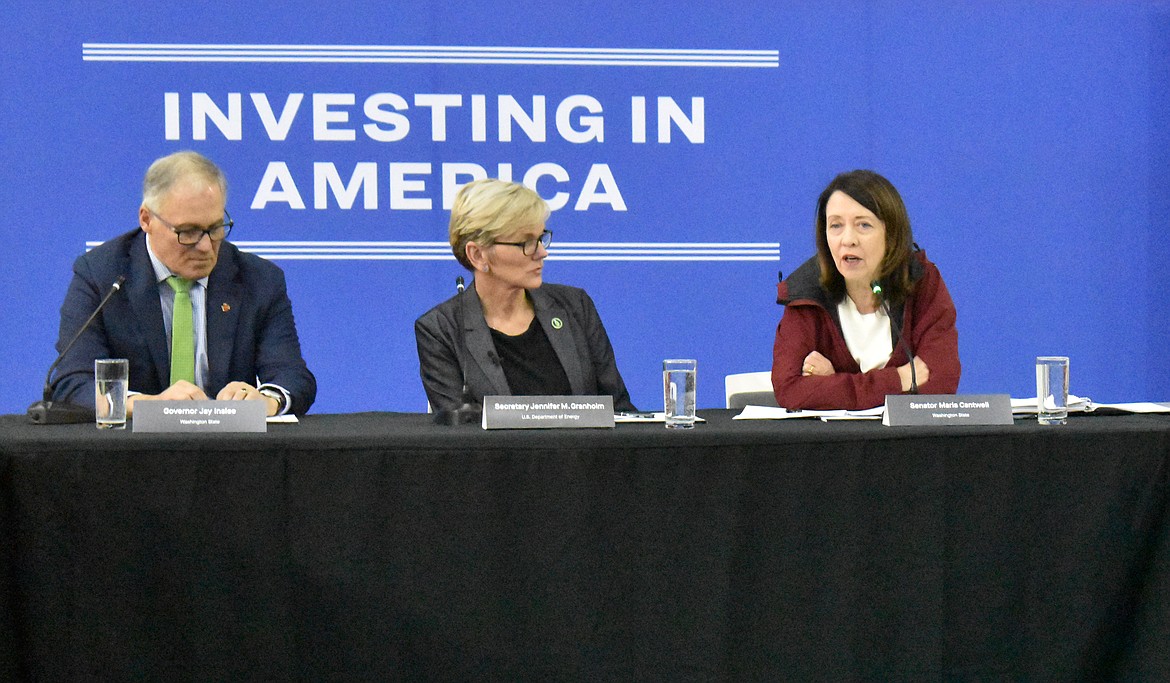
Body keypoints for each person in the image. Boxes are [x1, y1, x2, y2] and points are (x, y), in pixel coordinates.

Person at [50, 150, 316, 416]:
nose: (205, 246)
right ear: (146, 219)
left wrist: (267, 399)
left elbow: (291, 375)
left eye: (215, 228)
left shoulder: (258, 279)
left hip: (230, 450)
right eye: (187, 232)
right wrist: (150, 406)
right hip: (131, 451)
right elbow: (73, 382)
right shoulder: (103, 275)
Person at [415, 178, 635, 412]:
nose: (542, 252)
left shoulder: (575, 307)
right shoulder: (441, 330)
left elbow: (619, 411)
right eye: (526, 243)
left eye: (540, 238)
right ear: (478, 255)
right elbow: (457, 435)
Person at [771, 170, 959, 410]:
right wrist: (899, 379)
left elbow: (939, 383)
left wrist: (833, 383)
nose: (848, 239)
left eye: (863, 225)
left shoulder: (921, 281)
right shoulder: (806, 293)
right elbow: (791, 391)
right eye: (836, 225)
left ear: (891, 234)